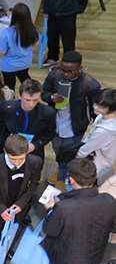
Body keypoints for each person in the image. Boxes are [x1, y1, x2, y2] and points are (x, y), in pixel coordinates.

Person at [40, 158, 116, 264]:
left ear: (71, 180)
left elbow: (50, 230)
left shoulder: (64, 208)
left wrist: (50, 210)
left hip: (62, 255)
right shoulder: (109, 201)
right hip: (92, 257)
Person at [0, 134, 42, 264]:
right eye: (13, 159)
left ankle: (5, 250)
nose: (16, 163)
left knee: (12, 231)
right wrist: (1, 209)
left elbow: (34, 184)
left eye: (21, 159)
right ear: (4, 151)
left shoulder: (35, 162)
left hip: (18, 205)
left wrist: (20, 204)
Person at [42, 51, 101, 182]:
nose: (66, 74)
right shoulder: (54, 76)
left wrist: (91, 126)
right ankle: (62, 172)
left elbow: (95, 110)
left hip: (75, 129)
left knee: (69, 157)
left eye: (70, 71)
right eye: (63, 70)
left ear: (79, 68)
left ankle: (62, 179)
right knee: (59, 154)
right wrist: (51, 97)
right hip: (55, 126)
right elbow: (44, 93)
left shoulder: (90, 85)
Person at [0, 79, 56, 160]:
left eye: (35, 100)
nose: (31, 104)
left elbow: (50, 134)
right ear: (20, 97)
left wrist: (35, 145)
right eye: (27, 100)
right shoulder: (5, 108)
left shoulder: (48, 113)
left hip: (33, 153)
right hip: (7, 151)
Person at [0, 3, 39, 91]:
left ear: (14, 16)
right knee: (25, 80)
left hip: (9, 66)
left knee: (9, 88)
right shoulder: (34, 29)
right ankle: (29, 96)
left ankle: (11, 103)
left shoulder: (7, 32)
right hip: (25, 63)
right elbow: (35, 44)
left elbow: (1, 52)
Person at [77, 89, 116, 182]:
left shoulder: (105, 131)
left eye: (101, 106)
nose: (95, 106)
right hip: (99, 158)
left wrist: (76, 161)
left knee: (82, 185)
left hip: (97, 163)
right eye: (95, 103)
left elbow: (86, 149)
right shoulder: (101, 117)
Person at [41, 0, 81, 67]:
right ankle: (52, 57)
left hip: (69, 11)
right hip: (52, 11)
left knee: (68, 39)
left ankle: (69, 60)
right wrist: (45, 9)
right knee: (52, 36)